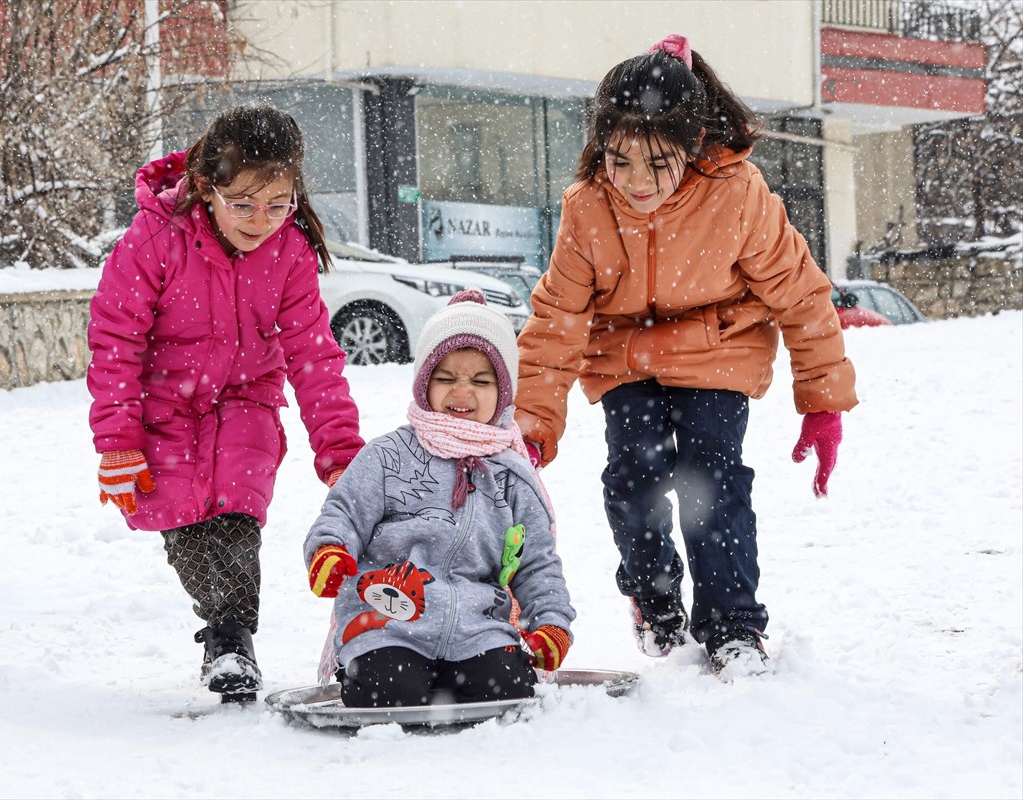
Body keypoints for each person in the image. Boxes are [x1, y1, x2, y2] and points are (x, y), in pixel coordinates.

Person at [514, 34, 857, 679]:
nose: (636, 182)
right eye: (620, 161)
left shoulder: (737, 194)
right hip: (625, 356)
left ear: (693, 144)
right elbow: (557, 321)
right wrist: (532, 427)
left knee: (712, 478)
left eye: (657, 163)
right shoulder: (587, 208)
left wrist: (823, 402)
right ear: (601, 146)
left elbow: (802, 293)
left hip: (718, 349)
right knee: (634, 478)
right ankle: (654, 596)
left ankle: (733, 626)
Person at [87, 104, 364, 703]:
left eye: (278, 204)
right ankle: (219, 621)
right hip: (163, 407)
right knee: (187, 528)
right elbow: (115, 342)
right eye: (242, 203)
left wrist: (340, 451)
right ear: (206, 186)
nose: (261, 220)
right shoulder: (155, 240)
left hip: (246, 402)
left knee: (237, 517)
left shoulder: (289, 252)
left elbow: (314, 356)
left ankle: (232, 639)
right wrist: (118, 441)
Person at [304, 290, 575, 708]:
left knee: (506, 689)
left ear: (503, 392)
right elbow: (345, 511)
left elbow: (537, 561)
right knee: (389, 690)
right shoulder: (388, 455)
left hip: (477, 627)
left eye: (481, 381)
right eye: (446, 378)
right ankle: (386, 676)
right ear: (423, 383)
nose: (462, 392)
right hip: (388, 620)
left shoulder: (511, 475)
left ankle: (459, 679)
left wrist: (551, 622)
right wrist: (329, 549)